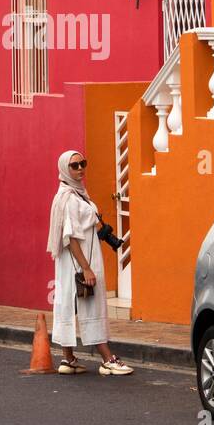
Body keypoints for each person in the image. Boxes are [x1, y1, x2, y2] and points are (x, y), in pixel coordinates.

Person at [47, 150, 133, 376]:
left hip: (76, 261)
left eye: (82, 163)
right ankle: (107, 359)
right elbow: (71, 237)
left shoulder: (76, 194)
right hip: (78, 261)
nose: (80, 169)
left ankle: (68, 359)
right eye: (74, 165)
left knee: (69, 304)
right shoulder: (68, 198)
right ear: (65, 169)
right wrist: (86, 268)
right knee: (89, 305)